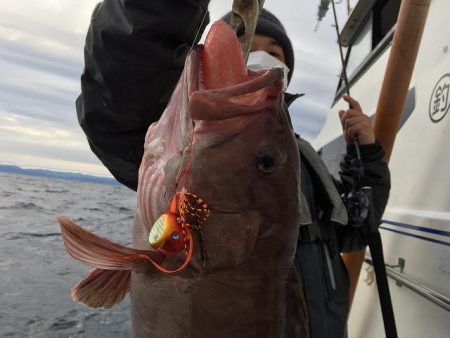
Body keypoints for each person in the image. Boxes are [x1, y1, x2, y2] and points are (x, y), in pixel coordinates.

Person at [76, 1, 390, 337]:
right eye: (250, 45)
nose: (265, 59)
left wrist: (369, 152)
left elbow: (355, 230)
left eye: (276, 51)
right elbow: (120, 104)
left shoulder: (300, 158)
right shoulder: (188, 131)